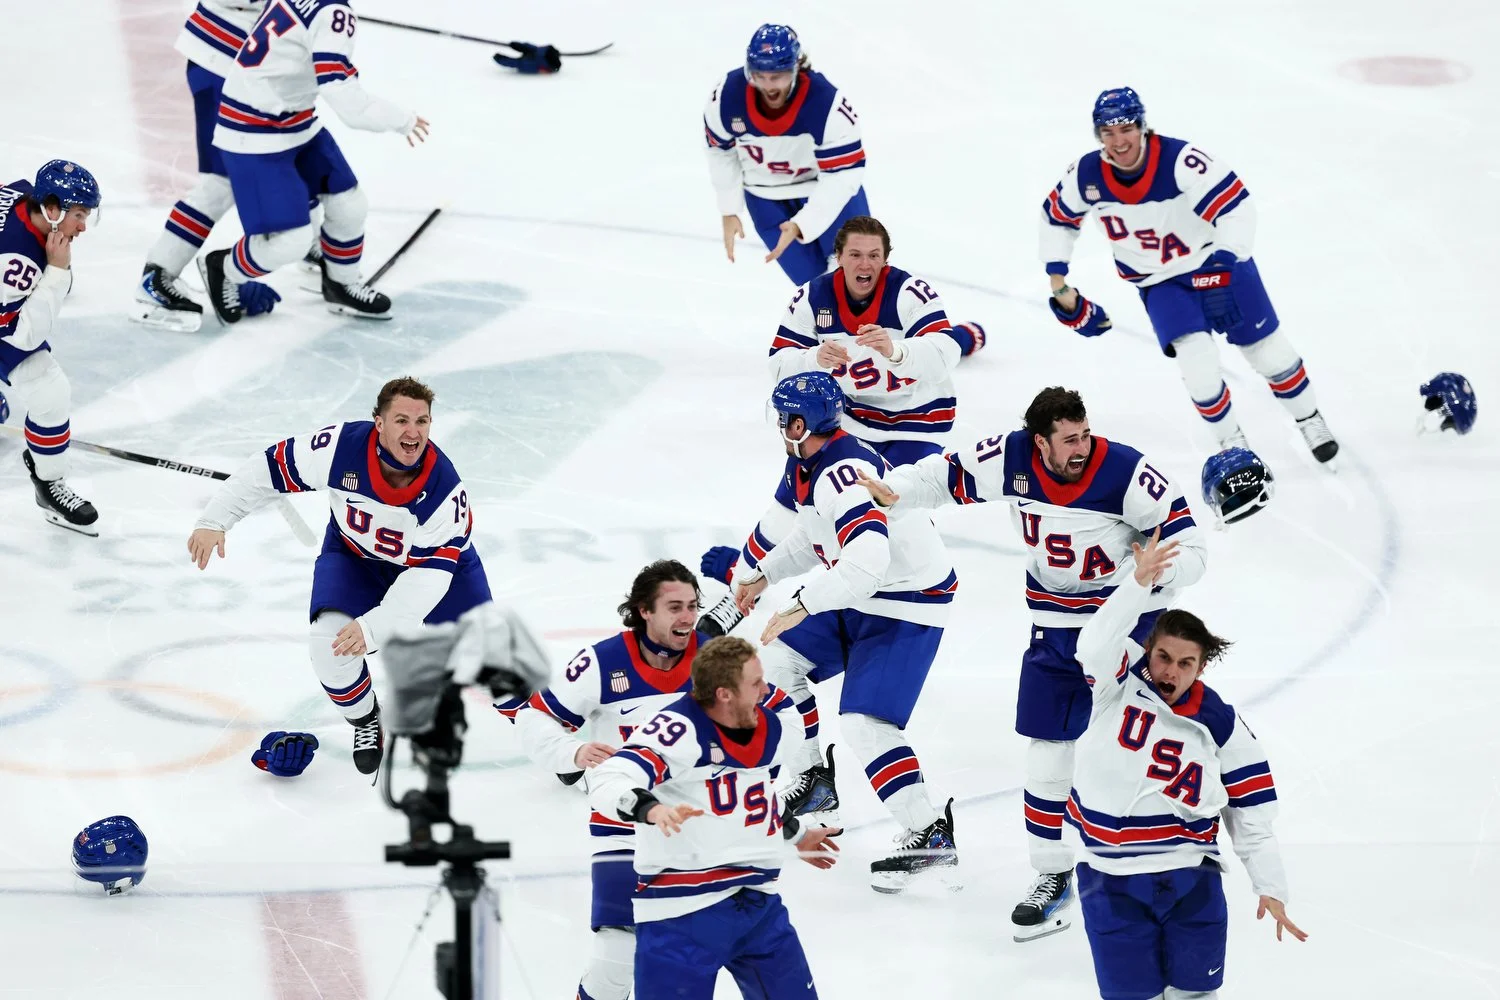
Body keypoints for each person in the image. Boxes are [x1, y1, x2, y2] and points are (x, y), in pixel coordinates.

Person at [859, 386, 1208, 937]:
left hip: (1123, 624)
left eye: (1085, 433)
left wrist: (1158, 571)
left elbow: (1193, 548)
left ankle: (1181, 853)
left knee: (1136, 749)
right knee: (1048, 756)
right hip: (1054, 631)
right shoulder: (1010, 456)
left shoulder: (1129, 474)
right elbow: (938, 478)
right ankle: (1053, 876)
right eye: (1069, 439)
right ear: (1039, 441)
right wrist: (894, 491)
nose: (1082, 446)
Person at [696, 214, 984, 635]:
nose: (864, 264)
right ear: (838, 258)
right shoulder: (811, 297)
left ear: (886, 260)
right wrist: (812, 359)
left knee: (898, 512)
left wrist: (899, 351)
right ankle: (739, 593)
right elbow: (777, 365)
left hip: (915, 423)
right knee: (788, 503)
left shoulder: (909, 293)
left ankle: (885, 601)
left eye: (874, 256)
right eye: (854, 255)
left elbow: (943, 354)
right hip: (846, 418)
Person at [186, 376, 489, 773]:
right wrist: (215, 520)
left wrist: (375, 626)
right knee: (329, 648)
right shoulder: (338, 448)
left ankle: (553, 732)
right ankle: (367, 720)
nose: (413, 433)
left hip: (435, 572)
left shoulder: (444, 490)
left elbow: (428, 580)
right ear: (378, 422)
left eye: (422, 421)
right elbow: (269, 468)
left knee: (493, 661)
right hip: (353, 556)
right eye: (401, 420)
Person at [731, 372, 960, 892]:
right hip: (864, 592)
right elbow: (814, 538)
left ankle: (930, 833)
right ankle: (812, 780)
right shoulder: (808, 462)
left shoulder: (842, 474)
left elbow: (866, 565)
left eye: (783, 417)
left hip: (907, 601)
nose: (777, 427)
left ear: (799, 422)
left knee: (864, 723)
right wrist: (765, 574)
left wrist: (797, 604)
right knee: (776, 665)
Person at [1040, 87, 1338, 465]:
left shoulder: (1182, 161)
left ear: (1143, 127)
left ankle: (1310, 420)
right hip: (1160, 283)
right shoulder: (1086, 174)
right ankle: (1233, 445)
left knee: (1270, 353)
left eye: (1126, 129)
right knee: (1198, 367)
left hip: (1216, 265)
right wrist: (1058, 280)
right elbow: (1056, 219)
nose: (1118, 141)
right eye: (1108, 132)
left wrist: (1223, 262)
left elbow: (1237, 208)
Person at [1069, 530, 1305, 998]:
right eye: (1162, 657)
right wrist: (1136, 585)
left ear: (1201, 667)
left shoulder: (1222, 725)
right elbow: (1094, 642)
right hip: (1110, 881)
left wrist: (1270, 886)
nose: (1170, 671)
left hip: (1190, 880)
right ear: (1147, 652)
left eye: (1185, 663)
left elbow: (1251, 813)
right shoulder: (1113, 686)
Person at [494, 560, 712, 1000]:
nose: (687, 617)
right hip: (621, 819)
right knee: (617, 950)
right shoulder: (601, 662)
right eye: (674, 607)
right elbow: (534, 718)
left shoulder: (714, 660)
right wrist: (572, 751)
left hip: (697, 823)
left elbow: (763, 722)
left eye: (692, 606)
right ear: (643, 611)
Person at [585, 636, 841, 1000]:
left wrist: (797, 834)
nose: (766, 690)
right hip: (679, 916)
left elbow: (750, 794)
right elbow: (609, 778)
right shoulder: (676, 730)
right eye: (755, 684)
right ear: (724, 694)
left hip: (756, 906)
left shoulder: (772, 728)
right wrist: (650, 808)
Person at [199, 0, 429, 324]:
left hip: (291, 118)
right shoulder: (334, 13)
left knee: (349, 205)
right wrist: (401, 119)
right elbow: (343, 96)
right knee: (290, 241)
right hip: (252, 132)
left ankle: (341, 284)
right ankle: (222, 268)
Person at [130, 0, 286, 332]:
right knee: (226, 179)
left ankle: (170, 272)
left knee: (248, 171)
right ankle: (165, 275)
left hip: (228, 57)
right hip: (226, 59)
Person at [705, 24, 870, 285]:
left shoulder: (827, 104)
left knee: (861, 275)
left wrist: (804, 223)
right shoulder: (726, 98)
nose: (768, 86)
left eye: (778, 75)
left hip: (822, 188)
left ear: (796, 67)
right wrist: (728, 209)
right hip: (766, 198)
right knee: (814, 288)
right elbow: (720, 151)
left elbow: (844, 174)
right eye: (759, 75)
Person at [0, 161, 102, 534]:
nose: (82, 226)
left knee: (49, 391)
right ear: (53, 208)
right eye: (78, 214)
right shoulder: (16, 261)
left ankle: (49, 481)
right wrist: (58, 271)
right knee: (48, 388)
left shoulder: (21, 193)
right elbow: (22, 335)